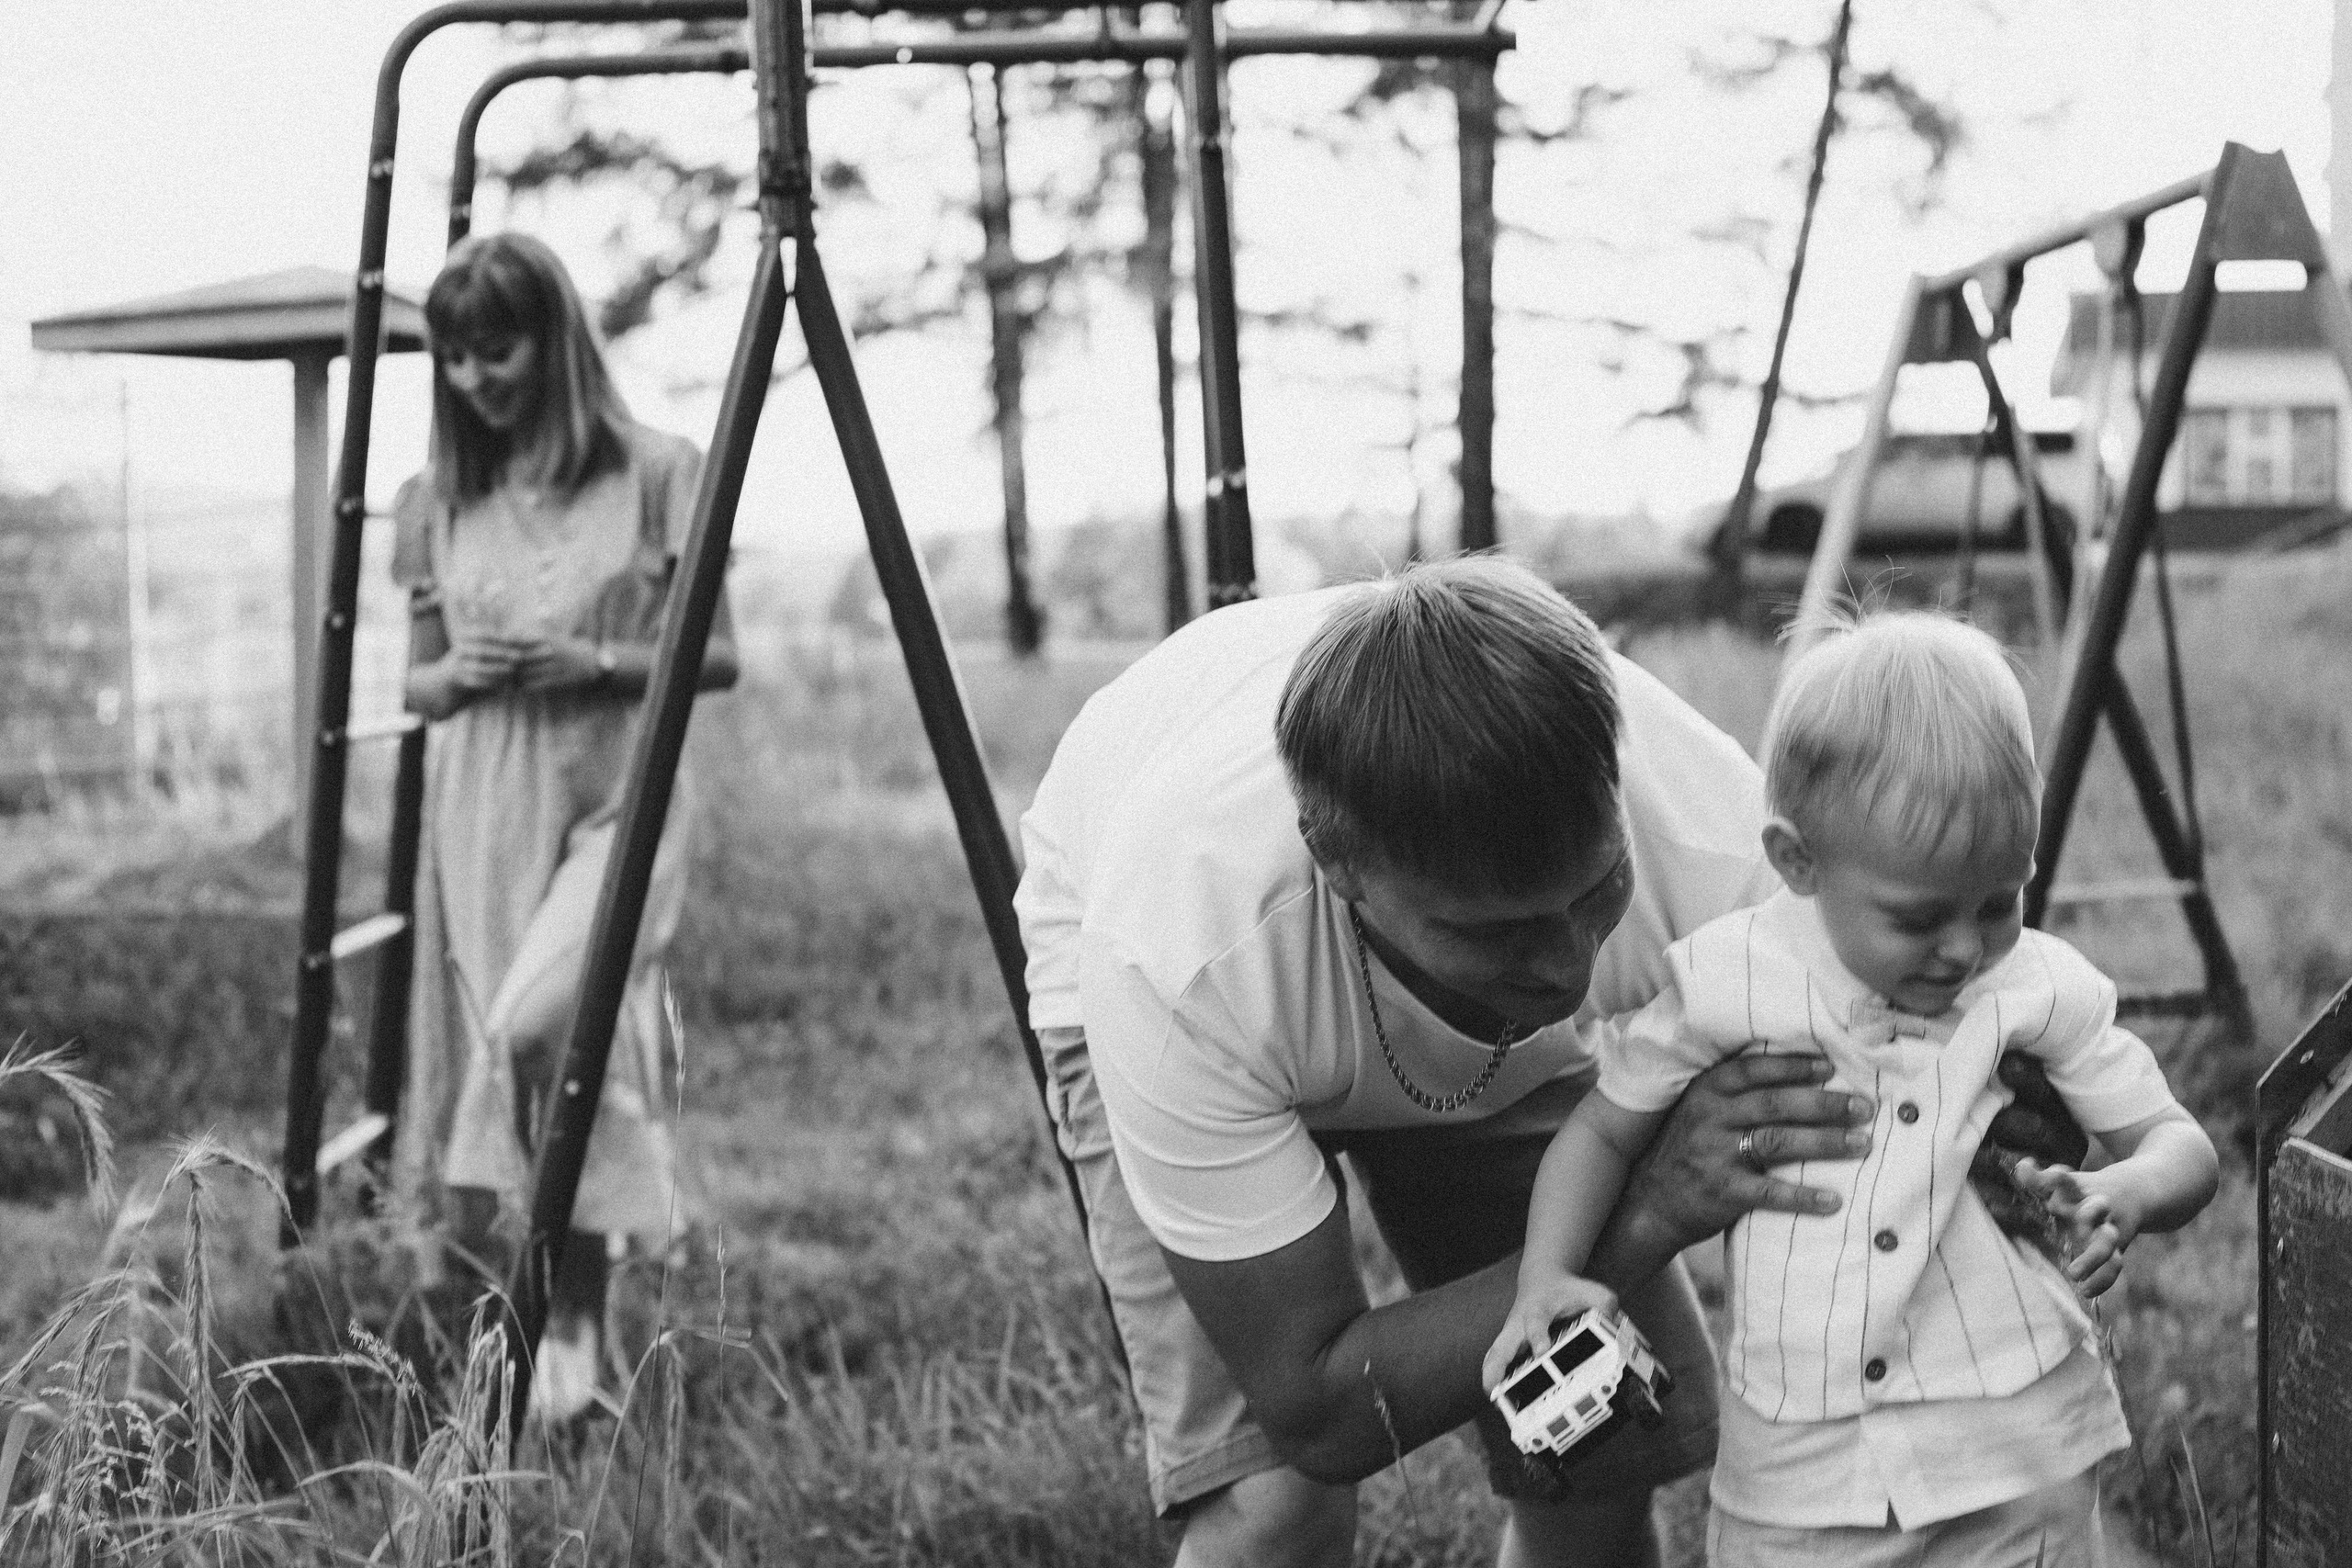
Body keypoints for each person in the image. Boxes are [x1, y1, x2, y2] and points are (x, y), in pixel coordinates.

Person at [1014, 558, 2084, 1567]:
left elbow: (1935, 1075)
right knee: (1275, 1503)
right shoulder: (1176, 957)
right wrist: (1648, 1212)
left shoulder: (1717, 849)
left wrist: (2003, 1130)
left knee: (1592, 1435)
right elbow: (1321, 1407)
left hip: (1380, 975)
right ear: (1339, 864)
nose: (1569, 972)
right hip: (1172, 962)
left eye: (1595, 892)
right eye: (1501, 931)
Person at [1486, 608, 2220, 1563]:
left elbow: (2181, 1145)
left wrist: (2129, 1190)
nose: (1964, 948)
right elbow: (1600, 1132)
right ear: (1797, 861)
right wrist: (1546, 1274)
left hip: (2013, 1440)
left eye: (2000, 901)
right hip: (1800, 1463)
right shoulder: (1728, 977)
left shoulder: (2036, 984)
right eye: (1918, 919)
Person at [388, 231, 738, 1421]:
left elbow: (716, 655)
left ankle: (574, 1321)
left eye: (498, 348)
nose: (475, 377)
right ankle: (561, 1331)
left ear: (557, 341)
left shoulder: (657, 470)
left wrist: (591, 658)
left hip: (618, 792)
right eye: (453, 356)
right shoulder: (436, 497)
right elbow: (417, 682)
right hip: (486, 801)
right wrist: (463, 672)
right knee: (527, 1059)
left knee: (541, 1026)